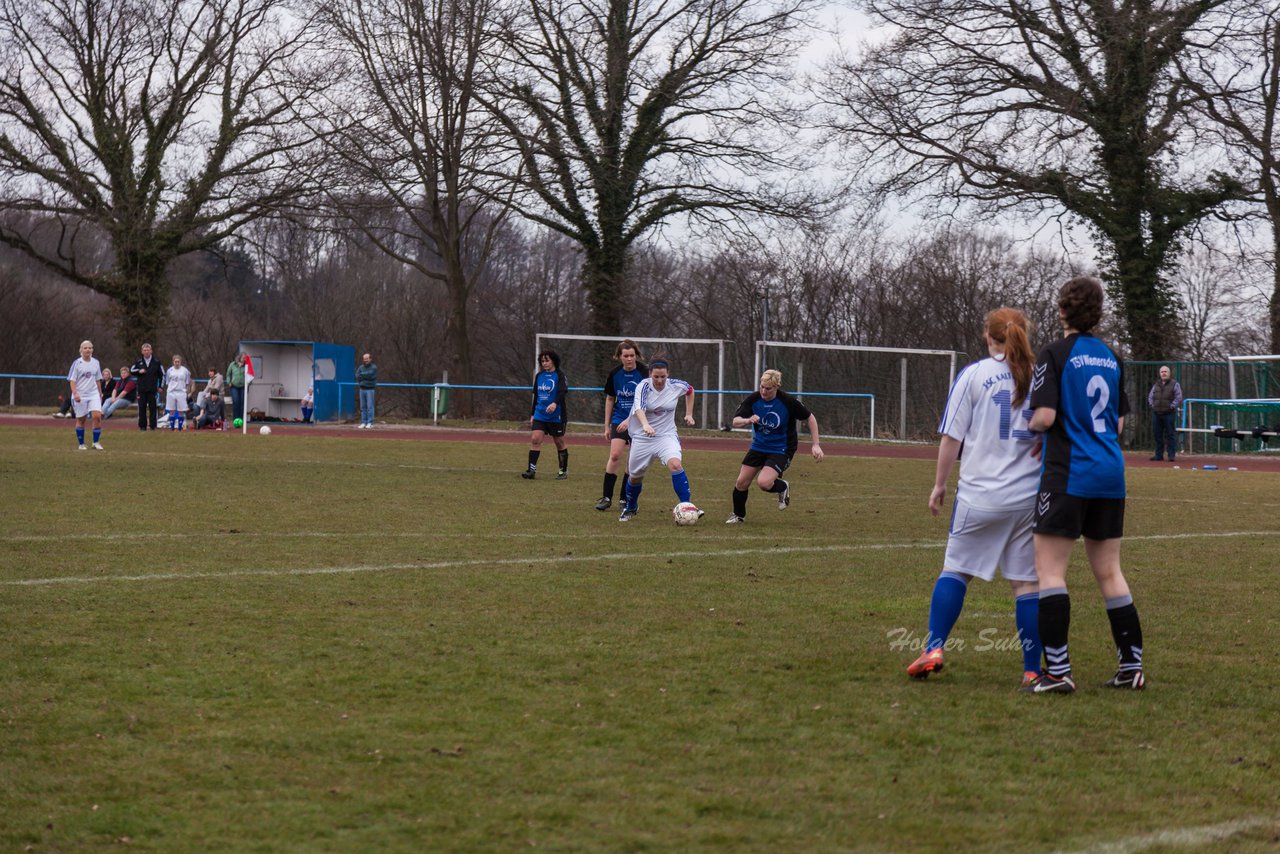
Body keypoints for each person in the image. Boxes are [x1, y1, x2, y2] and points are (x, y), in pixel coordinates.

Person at [904, 309, 1044, 687]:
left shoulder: (974, 375)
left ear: (988, 336)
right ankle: (1032, 669)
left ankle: (934, 647)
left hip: (979, 494)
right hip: (1028, 497)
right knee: (1027, 585)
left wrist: (939, 484)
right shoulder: (1041, 375)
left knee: (956, 571)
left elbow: (952, 436)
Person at [1025, 276, 1145, 694]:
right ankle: (1132, 667)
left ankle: (1057, 672)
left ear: (1061, 311)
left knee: (1050, 572)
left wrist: (1031, 430)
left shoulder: (1055, 353)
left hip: (1068, 474)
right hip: (1110, 473)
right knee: (1110, 571)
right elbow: (1119, 422)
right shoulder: (1112, 357)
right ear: (1097, 313)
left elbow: (1044, 417)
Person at [725, 369, 824, 524]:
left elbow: (810, 418)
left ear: (776, 387)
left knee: (763, 483)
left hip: (782, 448)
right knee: (741, 482)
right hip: (759, 446)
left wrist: (816, 445)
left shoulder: (787, 401)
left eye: (768, 388)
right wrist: (748, 420)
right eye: (762, 387)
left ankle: (782, 486)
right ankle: (738, 516)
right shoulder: (754, 399)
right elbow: (735, 421)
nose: (764, 391)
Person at [617, 359, 699, 522]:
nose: (660, 380)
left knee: (675, 464)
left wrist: (689, 413)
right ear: (650, 375)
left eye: (663, 376)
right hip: (642, 437)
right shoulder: (644, 386)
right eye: (656, 377)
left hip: (666, 435)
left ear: (668, 374)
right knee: (634, 477)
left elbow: (690, 390)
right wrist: (645, 425)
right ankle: (631, 507)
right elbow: (639, 408)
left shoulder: (676, 385)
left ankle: (686, 505)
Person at [596, 340, 649, 509]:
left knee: (631, 462)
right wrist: (606, 425)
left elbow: (647, 401)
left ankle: (624, 499)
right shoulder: (614, 374)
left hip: (639, 422)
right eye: (625, 356)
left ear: (636, 355)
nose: (629, 359)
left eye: (632, 355)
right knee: (615, 455)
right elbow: (610, 398)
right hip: (619, 419)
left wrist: (631, 420)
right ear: (619, 357)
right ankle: (606, 498)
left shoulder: (644, 373)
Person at [521, 351, 569, 478]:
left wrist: (554, 404)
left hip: (556, 415)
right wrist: (532, 414)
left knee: (558, 441)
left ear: (553, 360)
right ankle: (531, 471)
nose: (544, 363)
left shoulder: (560, 375)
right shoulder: (539, 376)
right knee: (535, 439)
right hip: (540, 414)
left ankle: (562, 471)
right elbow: (536, 396)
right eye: (542, 361)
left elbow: (562, 392)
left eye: (547, 360)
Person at [67, 339, 105, 450]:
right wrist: (75, 393)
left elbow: (98, 379)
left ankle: (96, 442)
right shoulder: (77, 363)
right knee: (81, 419)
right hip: (80, 395)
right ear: (81, 350)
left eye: (90, 347)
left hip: (93, 393)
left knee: (97, 416)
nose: (88, 349)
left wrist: (100, 392)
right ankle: (81, 444)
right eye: (85, 348)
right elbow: (72, 380)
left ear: (92, 350)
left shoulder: (96, 362)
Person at [1147, 364, 1182, 462]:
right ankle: (1159, 455)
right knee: (1157, 435)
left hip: (1169, 413)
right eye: (1162, 372)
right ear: (1160, 374)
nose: (1163, 373)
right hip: (1156, 413)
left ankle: (1171, 455)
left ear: (1169, 373)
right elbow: (1150, 397)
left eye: (1165, 371)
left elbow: (1178, 397)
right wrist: (1152, 405)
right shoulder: (1156, 385)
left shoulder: (1175, 384)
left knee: (1170, 434)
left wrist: (1171, 406)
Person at [131, 342, 165, 430]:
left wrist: (161, 386)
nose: (146, 352)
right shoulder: (138, 362)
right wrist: (139, 371)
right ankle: (142, 426)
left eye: (148, 350)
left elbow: (162, 375)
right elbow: (131, 370)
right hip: (141, 389)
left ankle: (153, 426)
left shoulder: (156, 362)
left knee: (153, 408)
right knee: (142, 408)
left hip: (152, 389)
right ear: (142, 352)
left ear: (151, 351)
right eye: (144, 350)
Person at [164, 354, 194, 431]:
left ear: (180, 362)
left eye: (178, 361)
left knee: (181, 410)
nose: (177, 363)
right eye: (175, 361)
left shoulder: (185, 371)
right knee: (172, 410)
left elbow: (187, 382)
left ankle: (180, 427)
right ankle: (172, 427)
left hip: (181, 392)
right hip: (171, 392)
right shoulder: (169, 371)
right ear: (173, 362)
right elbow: (167, 382)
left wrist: (186, 392)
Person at [356, 352, 378, 428]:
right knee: (363, 407)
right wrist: (364, 378)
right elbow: (357, 375)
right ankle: (364, 422)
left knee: (370, 407)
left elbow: (370, 376)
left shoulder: (374, 367)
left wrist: (363, 376)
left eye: (367, 359)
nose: (365, 360)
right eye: (364, 359)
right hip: (362, 389)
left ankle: (370, 423)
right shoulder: (361, 367)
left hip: (370, 389)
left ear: (370, 359)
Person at [226, 352, 247, 422]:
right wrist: (229, 382)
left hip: (243, 386)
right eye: (243, 358)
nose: (244, 359)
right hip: (234, 386)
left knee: (242, 402)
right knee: (236, 401)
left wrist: (249, 383)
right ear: (240, 358)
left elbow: (251, 375)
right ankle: (235, 419)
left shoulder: (246, 365)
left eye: (245, 358)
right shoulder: (232, 364)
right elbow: (228, 374)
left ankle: (241, 419)